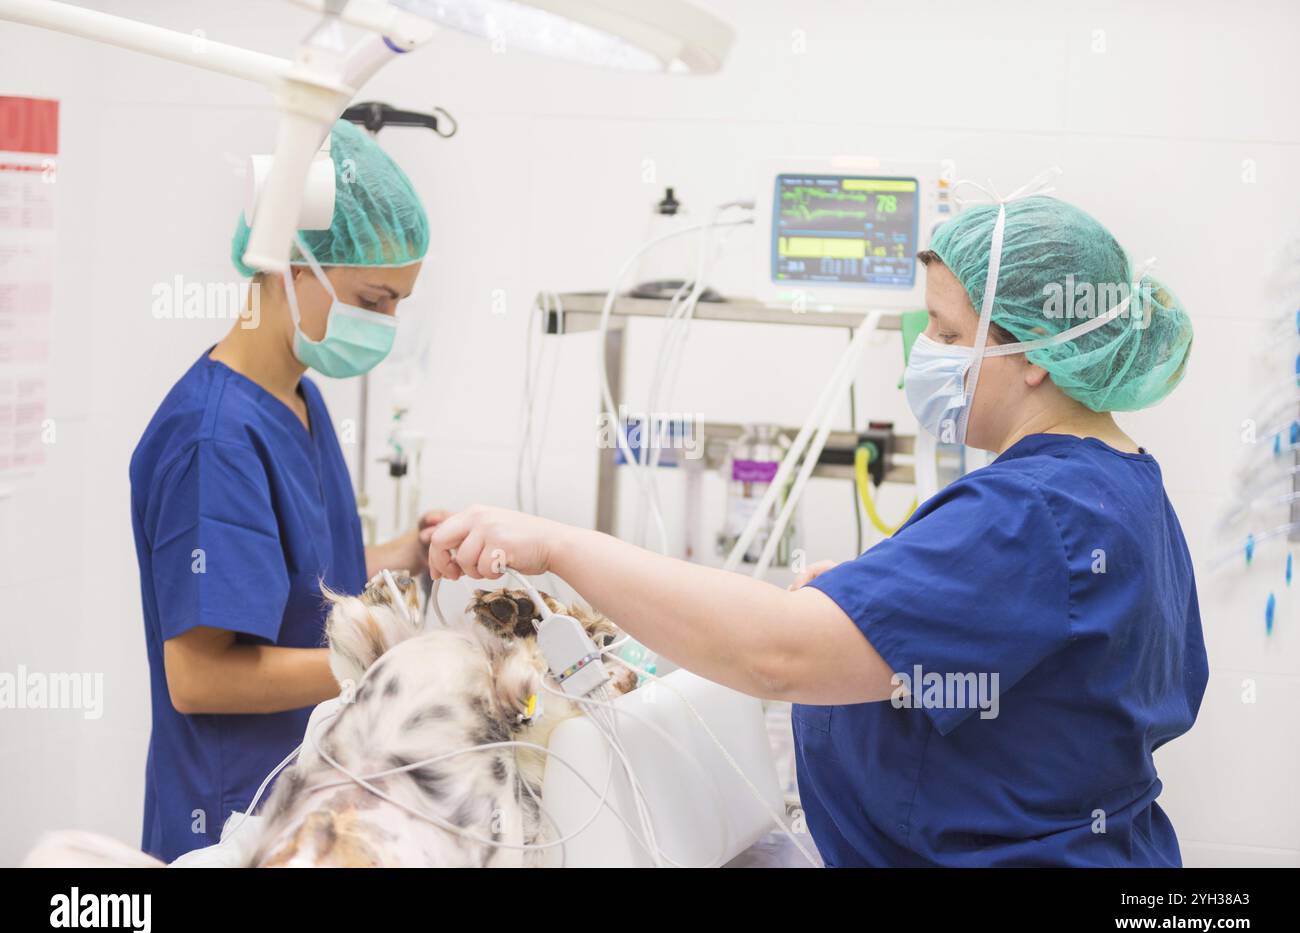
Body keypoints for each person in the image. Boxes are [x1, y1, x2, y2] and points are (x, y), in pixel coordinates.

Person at [426, 195, 1209, 866]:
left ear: (1032, 352)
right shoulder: (1118, 482)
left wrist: (559, 545)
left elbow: (775, 654)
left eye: (942, 329)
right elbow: (1014, 658)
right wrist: (859, 610)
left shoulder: (1037, 509)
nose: (921, 353)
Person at [129, 119, 441, 862]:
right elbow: (199, 676)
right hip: (231, 814)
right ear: (293, 264)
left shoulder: (295, 394)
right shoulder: (215, 440)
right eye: (376, 297)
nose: (387, 323)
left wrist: (408, 552)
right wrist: (390, 661)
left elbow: (291, 576)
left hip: (303, 791)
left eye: (398, 300)